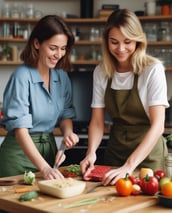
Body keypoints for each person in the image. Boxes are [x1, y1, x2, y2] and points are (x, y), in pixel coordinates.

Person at [80, 9, 169, 185]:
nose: (120, 49)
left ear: (138, 40)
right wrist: (91, 152)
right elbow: (97, 122)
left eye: (127, 42)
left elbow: (158, 126)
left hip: (148, 156)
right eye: (114, 42)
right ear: (106, 42)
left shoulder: (152, 70)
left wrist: (129, 166)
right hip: (115, 153)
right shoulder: (101, 72)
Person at [0, 15, 79, 179]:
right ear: (37, 44)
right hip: (18, 156)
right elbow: (21, 129)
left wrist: (68, 133)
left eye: (63, 48)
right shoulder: (21, 76)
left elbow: (65, 113)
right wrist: (44, 168)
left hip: (48, 153)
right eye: (53, 48)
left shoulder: (62, 77)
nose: (59, 54)